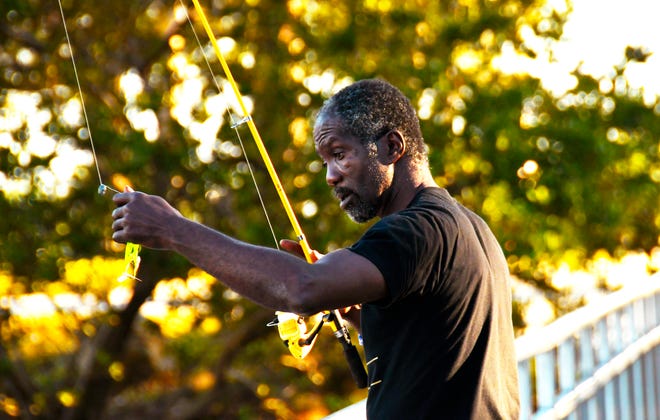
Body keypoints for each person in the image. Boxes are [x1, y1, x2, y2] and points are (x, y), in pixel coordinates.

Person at [112, 79, 520, 419]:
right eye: (325, 161)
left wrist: (172, 229)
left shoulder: (415, 231)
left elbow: (301, 289)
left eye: (339, 155)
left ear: (393, 147)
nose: (330, 176)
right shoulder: (467, 225)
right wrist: (352, 309)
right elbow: (432, 336)